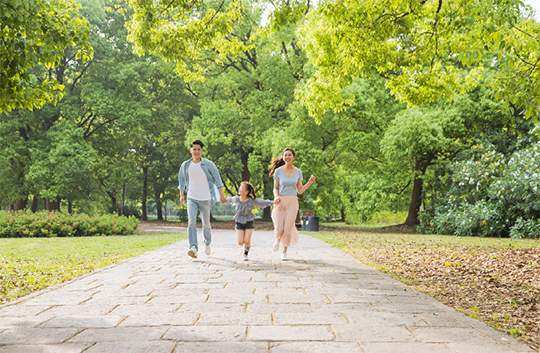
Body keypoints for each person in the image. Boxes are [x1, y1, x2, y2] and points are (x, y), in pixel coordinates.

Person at [178, 140, 227, 259]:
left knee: (206, 224)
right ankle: (193, 247)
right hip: (191, 198)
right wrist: (182, 195)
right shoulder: (185, 165)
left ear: (202, 151)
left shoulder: (208, 164)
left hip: (205, 198)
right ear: (191, 150)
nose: (196, 151)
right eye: (194, 149)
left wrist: (222, 195)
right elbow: (181, 181)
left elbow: (218, 179)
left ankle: (207, 243)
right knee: (191, 222)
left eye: (198, 149)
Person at [268, 148, 316, 261]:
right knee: (279, 228)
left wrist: (309, 183)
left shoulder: (298, 172)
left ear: (293, 157)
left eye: (290, 155)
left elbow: (299, 190)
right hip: (280, 201)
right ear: (283, 157)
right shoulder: (278, 171)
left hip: (292, 201)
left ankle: (284, 252)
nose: (287, 157)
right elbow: (275, 187)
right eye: (285, 155)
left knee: (288, 228)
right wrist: (276, 196)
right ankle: (278, 239)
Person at [226, 181, 280, 261]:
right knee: (240, 242)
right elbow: (229, 199)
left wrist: (273, 202)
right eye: (240, 187)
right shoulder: (236, 199)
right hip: (239, 221)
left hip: (249, 221)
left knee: (247, 241)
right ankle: (242, 239)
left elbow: (263, 202)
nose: (239, 189)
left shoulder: (252, 200)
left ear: (246, 192)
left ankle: (246, 253)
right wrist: (222, 199)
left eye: (241, 188)